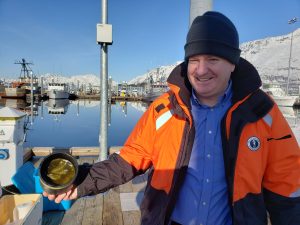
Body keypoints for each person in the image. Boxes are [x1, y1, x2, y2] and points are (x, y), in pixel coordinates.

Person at [43, 11, 300, 225]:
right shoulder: (164, 109)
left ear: (233, 63)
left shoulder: (262, 112)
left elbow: (287, 185)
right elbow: (130, 159)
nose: (201, 70)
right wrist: (83, 180)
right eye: (194, 60)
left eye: (212, 59)